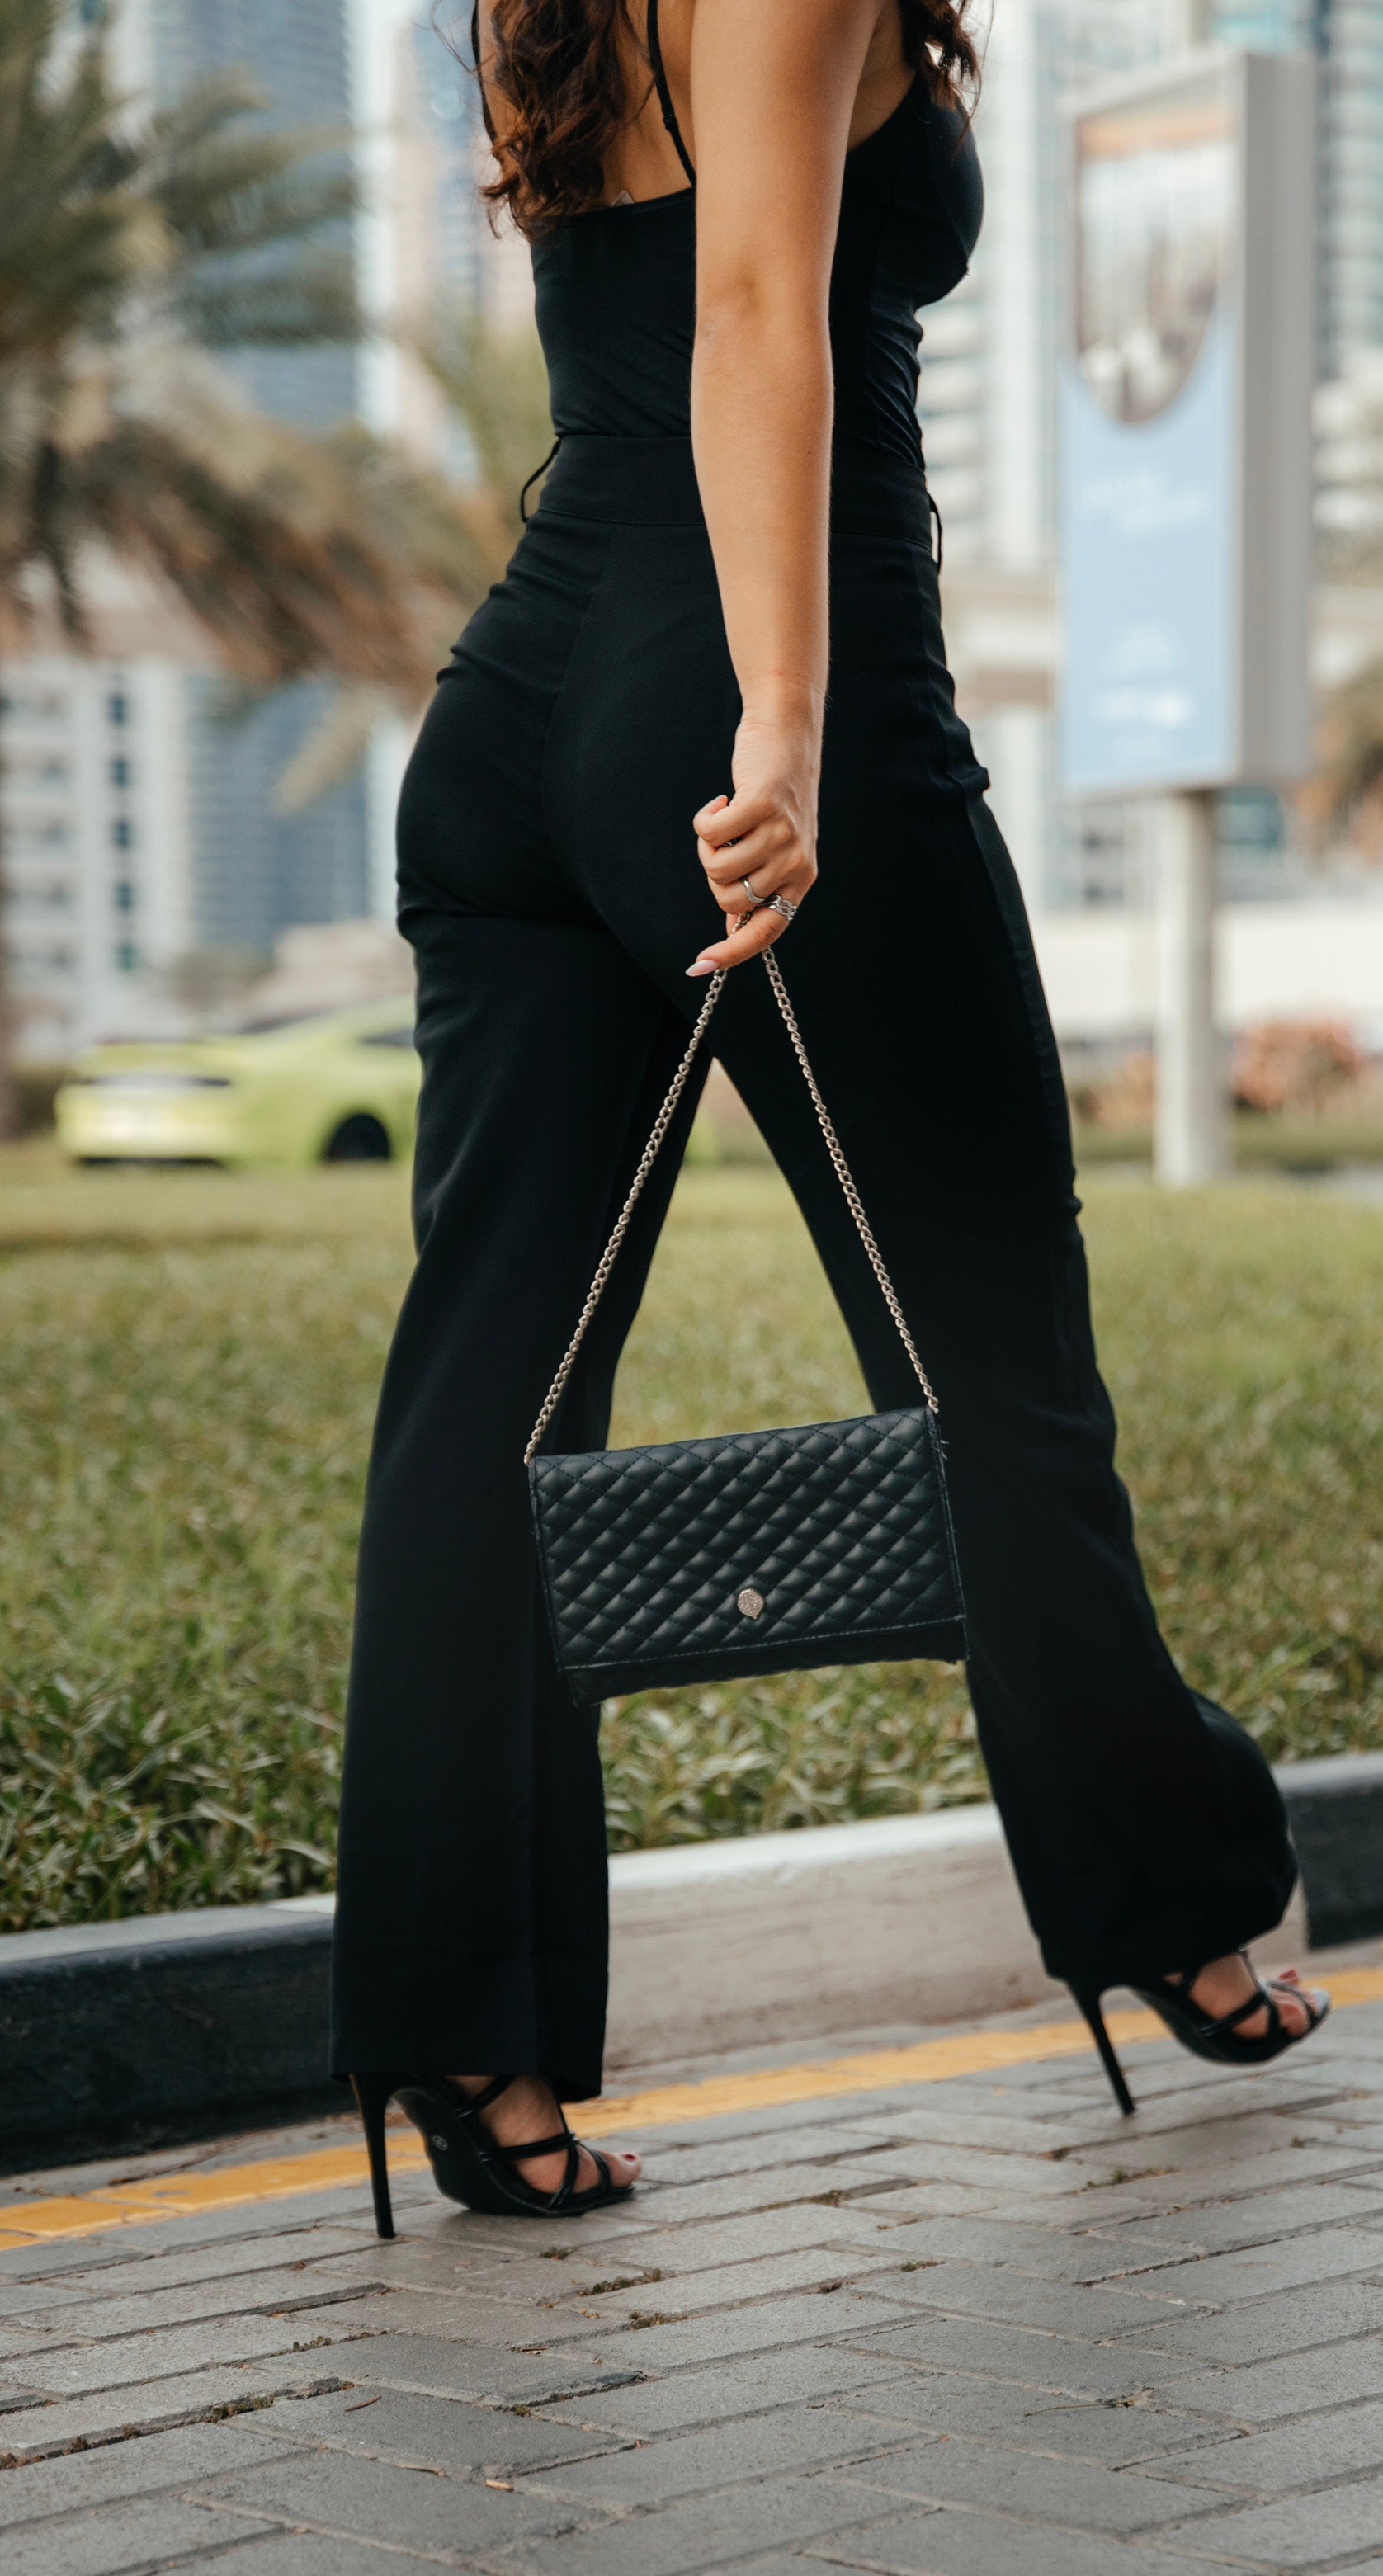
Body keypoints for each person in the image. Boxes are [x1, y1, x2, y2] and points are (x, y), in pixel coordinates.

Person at [332, 0, 1327, 2235]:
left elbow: (642, 295)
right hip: (774, 709)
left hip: (510, 721)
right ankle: (1179, 1894)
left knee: (485, 1412)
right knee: (994, 1368)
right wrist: (780, 730)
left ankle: (463, 2040)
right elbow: (757, 297)